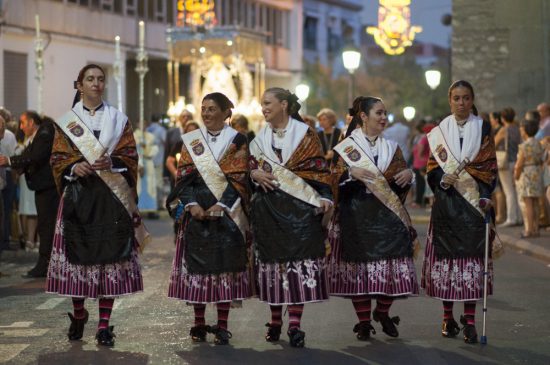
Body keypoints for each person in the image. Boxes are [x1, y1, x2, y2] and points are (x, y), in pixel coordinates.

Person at [46, 64, 148, 347]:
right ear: (79, 85)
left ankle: (104, 325)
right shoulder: (67, 121)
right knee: (78, 259)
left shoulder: (118, 119)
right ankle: (79, 314)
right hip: (78, 197)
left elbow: (130, 155)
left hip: (111, 199)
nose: (96, 83)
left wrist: (114, 163)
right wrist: (73, 167)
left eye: (101, 79)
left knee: (109, 259)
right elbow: (57, 158)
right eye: (90, 79)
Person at [328, 96, 418, 341]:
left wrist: (408, 174)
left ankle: (383, 311)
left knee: (393, 266)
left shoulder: (392, 148)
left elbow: (399, 178)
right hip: (356, 214)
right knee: (361, 271)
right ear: (363, 117)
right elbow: (331, 178)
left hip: (386, 215)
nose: (383, 117)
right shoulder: (346, 147)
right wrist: (349, 172)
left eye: (385, 113)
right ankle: (364, 322)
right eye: (378, 113)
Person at [249, 88, 332, 348]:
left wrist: (325, 197)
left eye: (268, 103)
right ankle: (275, 321)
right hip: (268, 211)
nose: (263, 108)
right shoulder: (258, 140)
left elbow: (319, 170)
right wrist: (253, 175)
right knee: (273, 268)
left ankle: (295, 325)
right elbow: (245, 172)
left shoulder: (306, 135)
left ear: (284, 105)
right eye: (262, 104)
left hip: (300, 213)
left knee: (297, 269)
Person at [167, 92, 252, 346]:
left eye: (212, 109)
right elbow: (184, 177)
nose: (205, 113)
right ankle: (198, 323)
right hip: (196, 214)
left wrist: (222, 204)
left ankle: (223, 326)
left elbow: (239, 177)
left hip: (226, 213)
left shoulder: (237, 140)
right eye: (203, 108)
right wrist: (191, 204)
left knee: (224, 270)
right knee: (198, 271)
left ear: (227, 113)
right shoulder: (192, 140)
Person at [421, 80, 497, 344]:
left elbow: (489, 164)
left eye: (466, 98)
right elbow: (432, 168)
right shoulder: (440, 131)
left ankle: (471, 323)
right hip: (448, 204)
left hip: (474, 206)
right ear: (450, 100)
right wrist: (442, 180)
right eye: (456, 98)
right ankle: (446, 317)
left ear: (472, 99)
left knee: (471, 268)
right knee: (448, 267)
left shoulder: (483, 127)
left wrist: (486, 195)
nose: (461, 103)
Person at [0, 111, 59, 277]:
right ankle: (46, 263)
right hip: (43, 187)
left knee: (47, 226)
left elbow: (36, 157)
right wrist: (15, 164)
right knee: (45, 225)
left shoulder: (45, 134)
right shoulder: (38, 136)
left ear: (32, 122)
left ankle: (45, 264)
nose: (21, 127)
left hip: (48, 188)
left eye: (23, 123)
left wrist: (10, 161)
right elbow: (28, 155)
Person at [515, 115, 544, 237]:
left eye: (522, 129)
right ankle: (536, 229)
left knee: (528, 204)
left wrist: (516, 176)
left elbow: (520, 164)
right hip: (537, 172)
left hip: (527, 173)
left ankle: (529, 230)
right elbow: (542, 159)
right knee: (536, 202)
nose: (521, 131)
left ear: (526, 130)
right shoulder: (539, 143)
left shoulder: (524, 146)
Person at [494, 107, 522, 227]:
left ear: (502, 118)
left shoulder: (504, 130)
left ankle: (511, 218)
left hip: (505, 162)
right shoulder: (518, 128)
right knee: (516, 191)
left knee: (508, 191)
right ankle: (519, 217)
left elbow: (494, 143)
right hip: (516, 160)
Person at [0, 108, 17, 251]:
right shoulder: (10, 135)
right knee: (6, 209)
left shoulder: (9, 135)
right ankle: (4, 241)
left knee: (5, 209)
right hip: (9, 174)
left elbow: (14, 156)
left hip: (7, 173)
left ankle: (4, 241)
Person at [165, 110, 193, 187]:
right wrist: (166, 174)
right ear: (179, 118)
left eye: (188, 116)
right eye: (183, 116)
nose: (186, 118)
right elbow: (167, 152)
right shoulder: (172, 133)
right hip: (175, 170)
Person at [134, 126, 159, 215]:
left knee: (151, 186)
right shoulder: (135, 136)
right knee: (139, 187)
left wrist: (149, 151)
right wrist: (139, 164)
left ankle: (151, 209)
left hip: (148, 162)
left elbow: (156, 148)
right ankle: (138, 209)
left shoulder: (150, 136)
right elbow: (136, 151)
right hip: (139, 163)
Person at [146, 114, 167, 209]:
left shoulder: (147, 130)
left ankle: (150, 204)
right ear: (159, 120)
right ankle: (158, 204)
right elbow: (165, 142)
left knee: (150, 182)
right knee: (158, 182)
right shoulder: (161, 130)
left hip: (148, 161)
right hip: (159, 159)